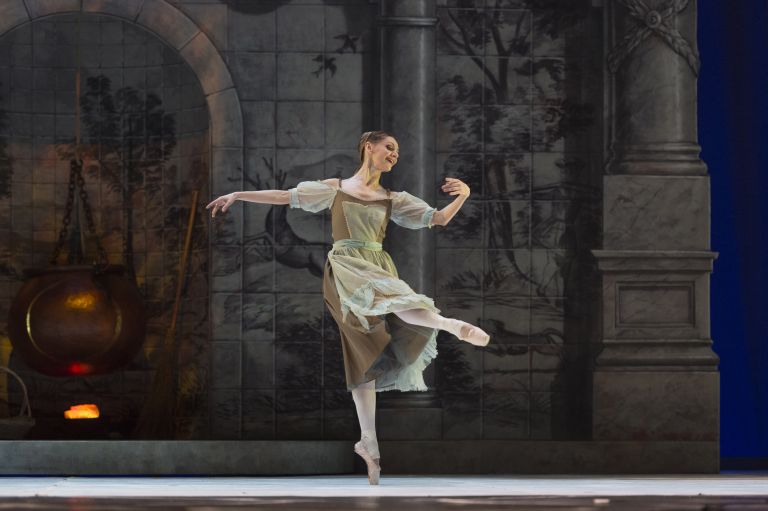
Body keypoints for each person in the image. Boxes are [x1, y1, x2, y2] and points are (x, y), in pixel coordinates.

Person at [206, 131, 490, 485]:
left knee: (382, 322)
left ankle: (369, 440)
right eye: (389, 147)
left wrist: (463, 195)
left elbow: (437, 218)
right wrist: (238, 194)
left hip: (377, 263)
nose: (394, 154)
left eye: (397, 151)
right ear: (368, 147)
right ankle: (446, 327)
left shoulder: (393, 198)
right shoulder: (335, 188)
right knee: (380, 325)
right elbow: (284, 196)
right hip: (344, 268)